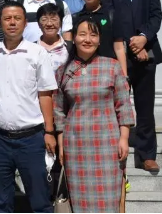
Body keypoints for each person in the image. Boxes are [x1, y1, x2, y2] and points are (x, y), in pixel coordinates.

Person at [54, 19, 135, 212]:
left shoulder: (113, 66)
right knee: (79, 199)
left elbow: (123, 105)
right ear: (74, 38)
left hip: (108, 143)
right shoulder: (63, 71)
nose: (87, 39)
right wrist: (61, 144)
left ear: (99, 40)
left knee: (109, 198)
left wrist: (124, 139)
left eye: (93, 35)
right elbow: (58, 111)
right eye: (82, 34)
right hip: (75, 145)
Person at [0, 1, 57, 213]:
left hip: (31, 138)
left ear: (25, 23)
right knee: (0, 200)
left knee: (39, 198)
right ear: (0, 22)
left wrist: (49, 132)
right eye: (7, 18)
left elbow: (45, 94)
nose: (12, 22)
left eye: (17, 18)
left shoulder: (37, 53)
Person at [103, 0, 162, 172]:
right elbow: (110, 19)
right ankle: (114, 149)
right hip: (118, 54)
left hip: (147, 53)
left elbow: (156, 16)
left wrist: (143, 38)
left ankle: (147, 155)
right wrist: (132, 44)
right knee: (117, 105)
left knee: (145, 106)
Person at [73, 0, 127, 75]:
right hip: (84, 73)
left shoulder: (111, 15)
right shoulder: (76, 18)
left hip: (108, 70)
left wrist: (124, 76)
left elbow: (119, 48)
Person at [36, 3, 70, 72]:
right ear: (38, 24)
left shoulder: (70, 47)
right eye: (44, 19)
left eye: (54, 19)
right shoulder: (32, 48)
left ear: (61, 23)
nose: (49, 24)